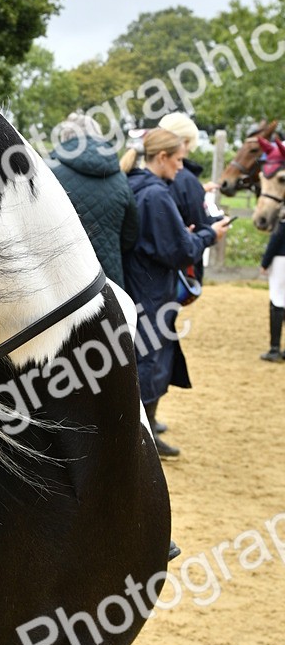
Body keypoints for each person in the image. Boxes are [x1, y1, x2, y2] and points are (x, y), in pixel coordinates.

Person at [120, 127, 232, 457]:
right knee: (150, 361)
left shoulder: (137, 185)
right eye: (179, 160)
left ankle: (145, 430)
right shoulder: (155, 194)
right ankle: (143, 438)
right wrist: (210, 235)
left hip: (138, 281)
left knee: (145, 357)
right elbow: (178, 251)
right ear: (163, 157)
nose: (182, 168)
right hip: (153, 288)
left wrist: (181, 233)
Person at [50, 113, 138, 288]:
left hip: (61, 285)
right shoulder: (120, 178)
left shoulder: (49, 171)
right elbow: (130, 235)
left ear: (65, 138)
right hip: (108, 284)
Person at [158, 111, 221, 282]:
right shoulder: (186, 180)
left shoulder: (143, 175)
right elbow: (199, 226)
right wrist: (214, 229)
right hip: (176, 272)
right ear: (184, 142)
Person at [259, 215, 285, 361]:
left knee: (277, 300)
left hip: (281, 260)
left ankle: (275, 348)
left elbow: (275, 241)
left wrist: (265, 262)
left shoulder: (282, 221)